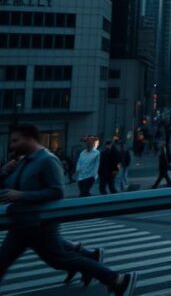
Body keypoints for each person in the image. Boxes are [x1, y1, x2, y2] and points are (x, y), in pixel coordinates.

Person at [0, 124, 138, 295]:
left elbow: (57, 191)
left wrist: (21, 196)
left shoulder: (47, 160)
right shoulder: (23, 161)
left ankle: (118, 280)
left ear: (29, 139)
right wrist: (3, 172)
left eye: (15, 140)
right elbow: (9, 187)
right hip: (21, 223)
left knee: (60, 259)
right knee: (5, 261)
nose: (12, 145)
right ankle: (107, 272)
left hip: (39, 225)